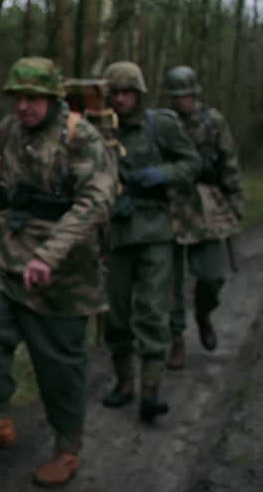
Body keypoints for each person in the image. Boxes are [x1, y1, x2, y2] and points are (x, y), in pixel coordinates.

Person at [0, 57, 116, 488]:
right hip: (5, 259)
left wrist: (48, 256)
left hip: (64, 272)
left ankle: (67, 448)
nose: (24, 106)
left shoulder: (80, 138)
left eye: (33, 98)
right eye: (18, 97)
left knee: (59, 365)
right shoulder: (8, 130)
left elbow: (94, 204)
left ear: (53, 98)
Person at [98, 61, 199, 423]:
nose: (122, 99)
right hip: (115, 233)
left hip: (155, 230)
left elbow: (191, 164)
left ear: (139, 95)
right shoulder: (97, 130)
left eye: (128, 92)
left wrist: (161, 175)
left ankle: (151, 390)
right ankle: (125, 383)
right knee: (117, 312)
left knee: (153, 311)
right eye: (116, 93)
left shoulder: (162, 125)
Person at [162, 65, 246, 370]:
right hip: (170, 207)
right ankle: (176, 340)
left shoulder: (214, 122)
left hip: (206, 207)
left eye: (185, 94)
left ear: (195, 93)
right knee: (170, 282)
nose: (180, 100)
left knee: (212, 276)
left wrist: (235, 202)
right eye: (175, 95)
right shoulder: (163, 123)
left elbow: (229, 163)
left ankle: (203, 313)